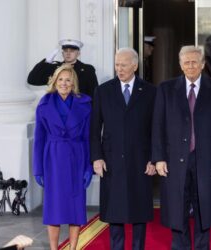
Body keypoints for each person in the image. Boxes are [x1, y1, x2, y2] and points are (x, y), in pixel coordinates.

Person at [152, 45, 211, 249]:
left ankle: (202, 246)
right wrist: (158, 158)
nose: (190, 66)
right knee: (177, 207)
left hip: (207, 160)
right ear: (180, 64)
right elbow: (157, 125)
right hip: (174, 160)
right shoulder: (166, 89)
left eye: (194, 62)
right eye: (186, 62)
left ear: (203, 64)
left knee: (204, 207)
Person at [90, 48, 156, 250]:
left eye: (124, 65)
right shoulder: (103, 91)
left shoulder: (151, 91)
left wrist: (154, 158)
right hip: (111, 161)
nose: (119, 69)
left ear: (135, 66)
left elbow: (156, 128)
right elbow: (94, 128)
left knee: (139, 211)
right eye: (117, 65)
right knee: (115, 211)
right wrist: (97, 157)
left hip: (141, 160)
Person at [33, 64, 93, 250]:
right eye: (61, 79)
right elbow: (39, 139)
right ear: (54, 81)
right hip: (53, 159)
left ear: (73, 82)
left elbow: (88, 137)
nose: (64, 83)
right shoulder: (44, 104)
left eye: (68, 80)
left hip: (77, 158)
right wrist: (38, 169)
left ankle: (73, 247)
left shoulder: (84, 103)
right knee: (54, 209)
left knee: (75, 208)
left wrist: (88, 167)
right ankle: (53, 248)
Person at [27, 39, 98, 98]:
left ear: (78, 53)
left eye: (72, 51)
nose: (68, 53)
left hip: (78, 109)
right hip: (57, 109)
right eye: (65, 51)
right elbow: (32, 80)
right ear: (62, 53)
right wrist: (46, 62)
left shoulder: (87, 69)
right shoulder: (54, 68)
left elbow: (94, 93)